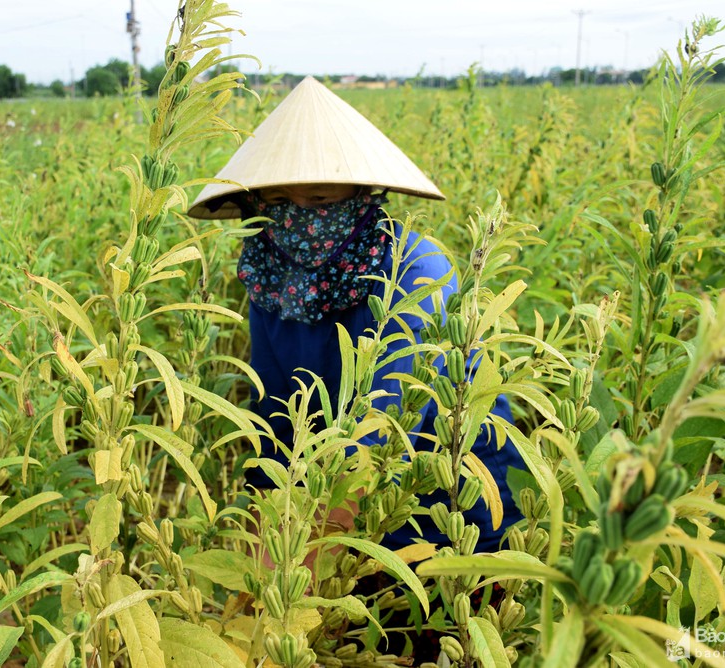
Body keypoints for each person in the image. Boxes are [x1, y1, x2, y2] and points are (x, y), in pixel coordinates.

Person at [187, 76, 524, 558]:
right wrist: (267, 539)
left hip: (446, 505)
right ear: (256, 207)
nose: (303, 218)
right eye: (281, 203)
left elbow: (386, 431)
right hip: (332, 514)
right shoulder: (267, 276)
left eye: (322, 201)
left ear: (363, 194)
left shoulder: (417, 270)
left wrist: (292, 564)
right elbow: (275, 421)